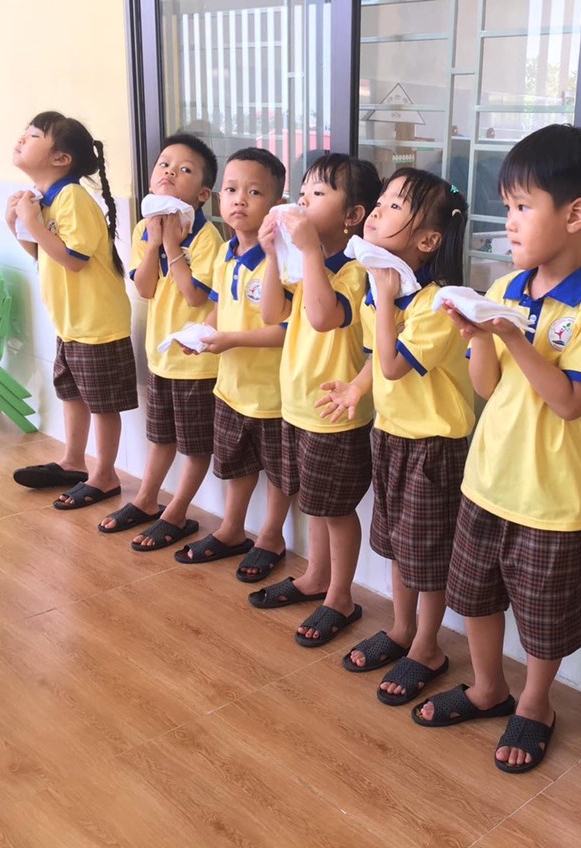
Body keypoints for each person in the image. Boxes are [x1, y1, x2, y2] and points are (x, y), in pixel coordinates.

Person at [413, 125, 581, 775]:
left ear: (575, 214)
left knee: (542, 618)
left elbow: (570, 403)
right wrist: (480, 334)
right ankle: (488, 688)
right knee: (476, 596)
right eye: (507, 205)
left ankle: (535, 703)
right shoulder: (507, 288)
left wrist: (511, 336)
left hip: (550, 495)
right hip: (486, 479)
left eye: (522, 206)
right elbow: (486, 387)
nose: (509, 220)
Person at [315, 169, 472, 705]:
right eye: (380, 201)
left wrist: (383, 299)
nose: (377, 211)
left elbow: (393, 362)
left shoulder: (440, 304)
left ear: (427, 241)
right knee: (400, 547)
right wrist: (356, 389)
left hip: (434, 446)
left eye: (395, 206)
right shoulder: (382, 291)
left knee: (427, 556)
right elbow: (375, 363)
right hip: (391, 436)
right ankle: (403, 630)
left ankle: (428, 646)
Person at [252, 154, 382, 649]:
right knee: (315, 503)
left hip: (335, 412)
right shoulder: (304, 261)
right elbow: (271, 312)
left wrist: (306, 249)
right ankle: (315, 577)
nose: (303, 201)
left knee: (336, 510)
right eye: (303, 193)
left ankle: (341, 598)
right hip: (299, 404)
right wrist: (271, 254)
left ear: (353, 215)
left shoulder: (355, 269)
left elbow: (326, 318)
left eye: (319, 194)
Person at [172, 148, 295, 581]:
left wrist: (230, 340)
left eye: (254, 192)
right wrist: (202, 334)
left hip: (274, 394)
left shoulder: (285, 261)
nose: (239, 199)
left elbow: (286, 330)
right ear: (218, 197)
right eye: (231, 189)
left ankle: (271, 537)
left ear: (278, 204)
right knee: (237, 465)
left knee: (279, 473)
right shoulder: (227, 252)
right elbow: (221, 306)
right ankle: (231, 529)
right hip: (231, 387)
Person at [98, 134, 223, 550]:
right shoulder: (143, 227)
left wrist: (172, 244)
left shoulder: (207, 238)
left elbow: (195, 297)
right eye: (164, 164)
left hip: (197, 362)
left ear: (203, 194)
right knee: (161, 436)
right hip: (161, 356)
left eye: (184, 169)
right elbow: (146, 288)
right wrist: (154, 243)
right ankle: (147, 499)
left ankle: (178, 511)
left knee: (195, 445)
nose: (169, 172)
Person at [7, 111, 135, 510]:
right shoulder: (46, 199)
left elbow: (74, 259)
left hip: (98, 323)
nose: (22, 139)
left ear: (61, 159)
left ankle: (105, 475)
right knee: (72, 395)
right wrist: (16, 223)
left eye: (33, 135)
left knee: (102, 405)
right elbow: (43, 253)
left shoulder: (73, 198)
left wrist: (31, 221)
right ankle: (73, 462)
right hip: (71, 322)